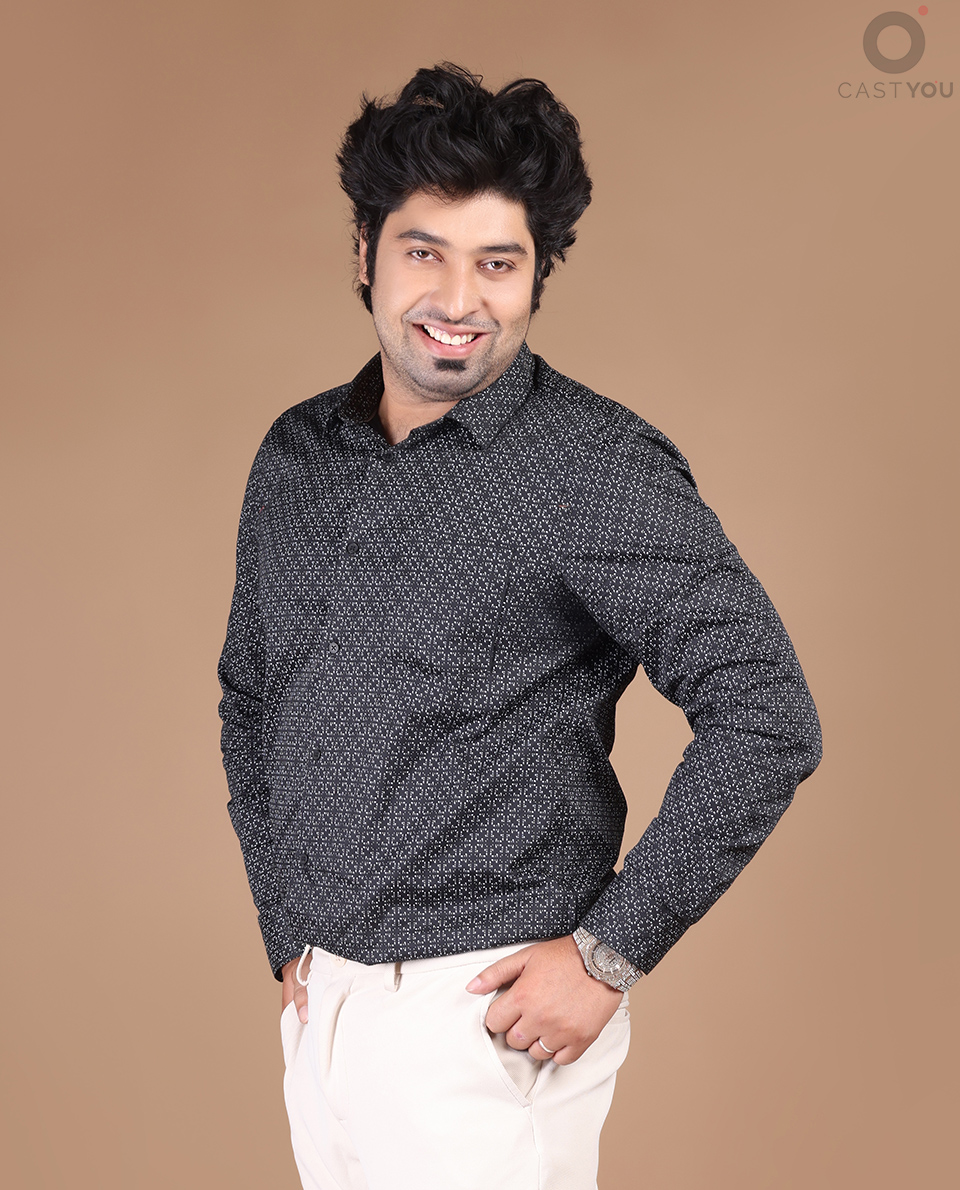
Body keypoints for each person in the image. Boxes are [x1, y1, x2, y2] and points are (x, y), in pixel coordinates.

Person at [218, 62, 821, 1190]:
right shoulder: (295, 456)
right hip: (324, 1010)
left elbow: (767, 713)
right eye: (424, 253)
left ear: (539, 272)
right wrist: (286, 923)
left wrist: (609, 954)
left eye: (498, 263)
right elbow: (252, 695)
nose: (459, 298)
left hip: (483, 1019)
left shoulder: (593, 466)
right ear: (365, 254)